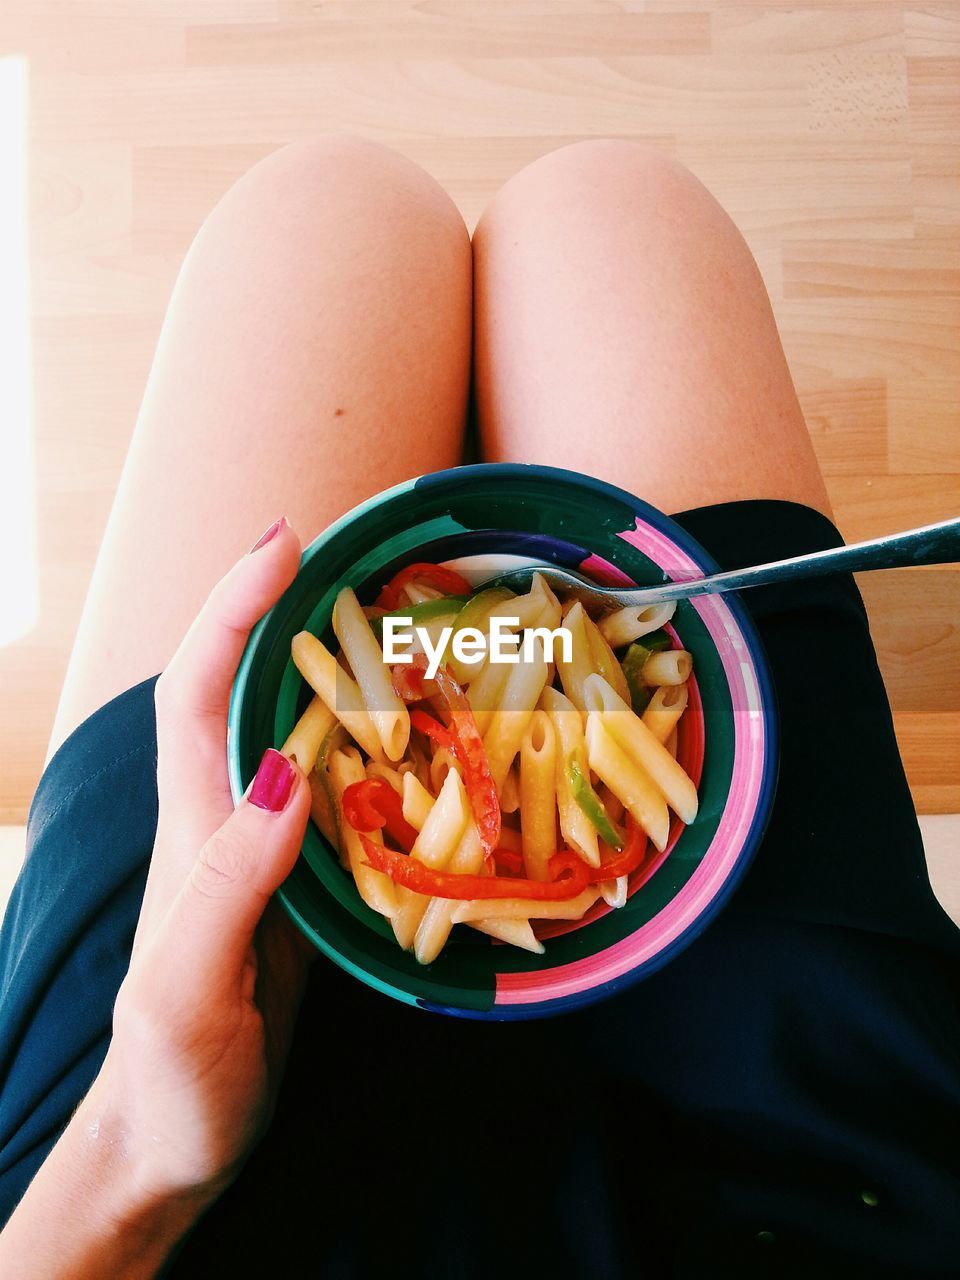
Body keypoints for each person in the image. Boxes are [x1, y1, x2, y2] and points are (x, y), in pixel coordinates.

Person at [0, 137, 957, 1279]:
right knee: (610, 203)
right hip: (806, 1150)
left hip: (183, 1204)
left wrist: (132, 1159)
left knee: (330, 210)